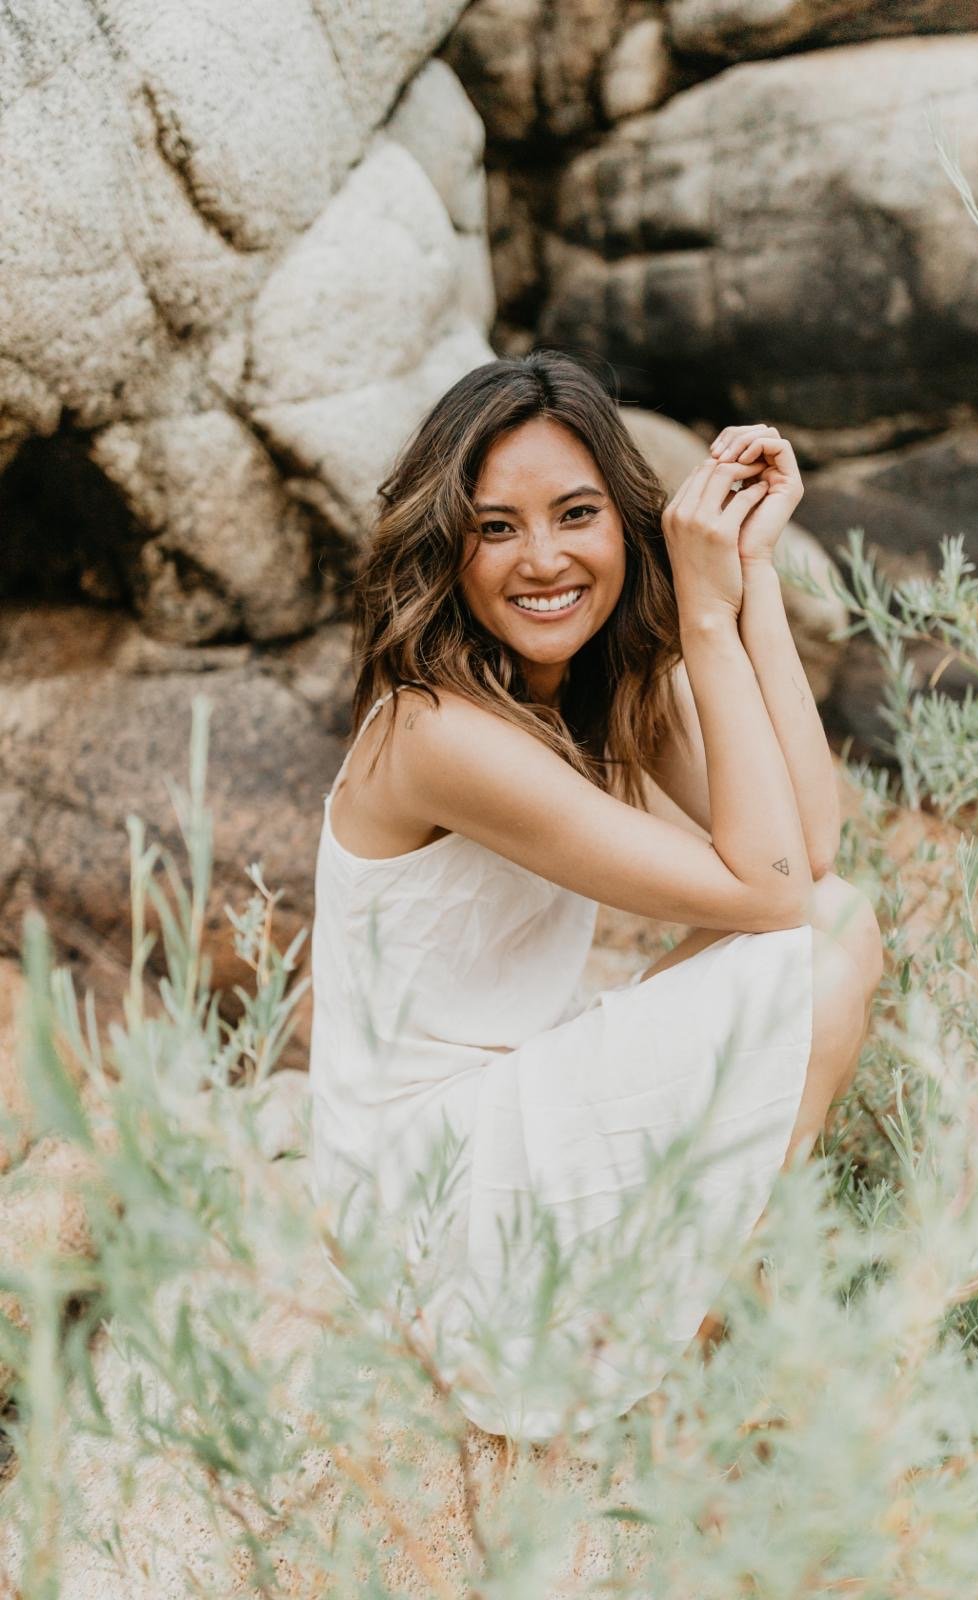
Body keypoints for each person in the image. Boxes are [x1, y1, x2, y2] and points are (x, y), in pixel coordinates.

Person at [308, 348, 883, 1442]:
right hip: (423, 1197)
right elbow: (767, 894)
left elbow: (806, 851)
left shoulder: (593, 685)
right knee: (822, 939)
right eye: (494, 527)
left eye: (575, 513)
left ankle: (710, 1308)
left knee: (831, 918)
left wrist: (747, 580)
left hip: (505, 1115)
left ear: (625, 524)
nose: (541, 560)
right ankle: (710, 1340)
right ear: (449, 546)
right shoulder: (435, 732)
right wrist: (701, 624)